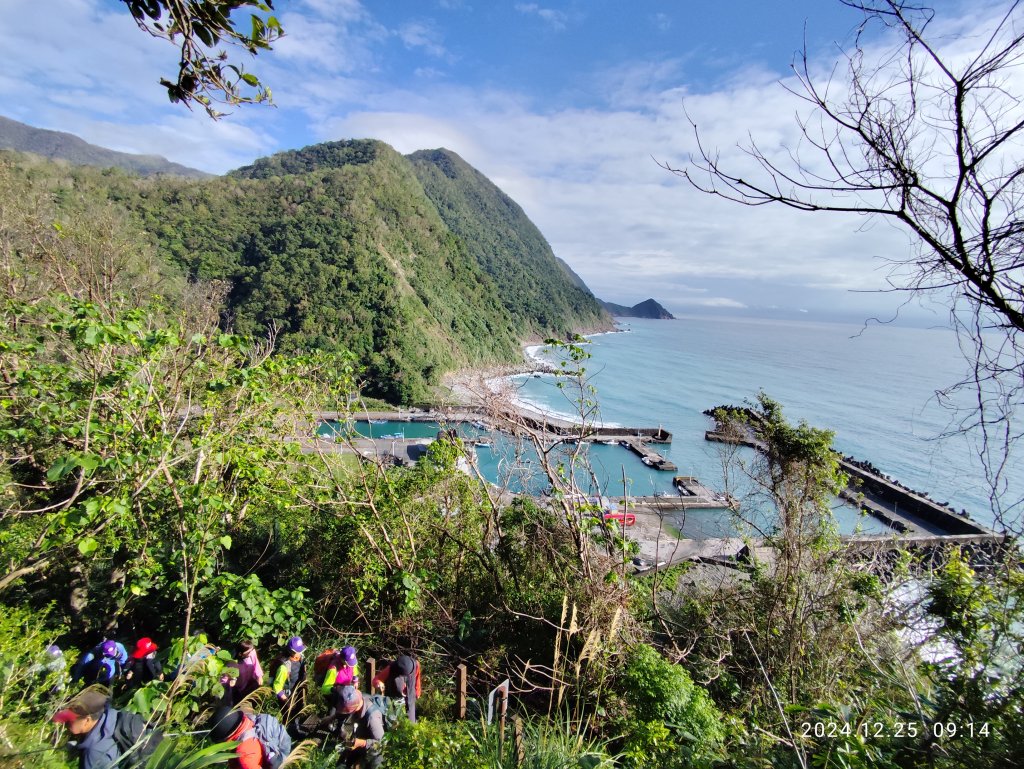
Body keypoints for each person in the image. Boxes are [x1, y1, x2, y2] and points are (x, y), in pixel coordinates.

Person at [52, 689, 161, 768]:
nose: (65, 723)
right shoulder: (114, 716)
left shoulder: (94, 753)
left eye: (70, 719)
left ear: (87, 720)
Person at [330, 685, 388, 769]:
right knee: (342, 762)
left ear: (354, 708)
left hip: (378, 747)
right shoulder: (358, 698)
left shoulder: (372, 717)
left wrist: (361, 743)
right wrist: (332, 717)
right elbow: (345, 709)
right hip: (362, 738)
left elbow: (382, 743)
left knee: (374, 764)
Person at [371, 654, 421, 722]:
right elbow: (376, 680)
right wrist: (378, 684)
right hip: (393, 700)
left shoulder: (416, 665)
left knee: (410, 723)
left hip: (410, 698)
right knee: (393, 722)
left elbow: (417, 679)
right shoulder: (391, 668)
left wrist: (417, 692)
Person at [271, 636, 306, 721]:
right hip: (286, 695)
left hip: (296, 690)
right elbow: (277, 687)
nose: (301, 653)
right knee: (288, 717)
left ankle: (295, 727)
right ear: (292, 652)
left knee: (297, 713)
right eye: (299, 651)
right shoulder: (283, 667)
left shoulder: (299, 658)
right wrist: (286, 701)